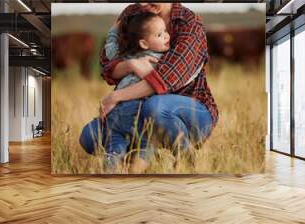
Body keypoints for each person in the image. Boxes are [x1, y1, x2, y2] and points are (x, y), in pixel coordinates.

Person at [80, 3, 219, 173]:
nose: (143, 4)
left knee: (155, 107)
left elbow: (166, 80)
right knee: (89, 136)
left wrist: (115, 97)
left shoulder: (189, 23)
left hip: (188, 111)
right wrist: (131, 64)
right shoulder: (133, 12)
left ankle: (185, 157)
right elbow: (107, 64)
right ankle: (129, 166)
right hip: (134, 112)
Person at [80, 12, 171, 171]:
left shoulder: (126, 57)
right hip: (138, 113)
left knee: (113, 149)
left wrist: (114, 30)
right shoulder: (163, 59)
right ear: (143, 43)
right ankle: (133, 173)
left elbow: (110, 49)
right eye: (159, 34)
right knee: (147, 145)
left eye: (165, 31)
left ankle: (112, 173)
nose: (166, 36)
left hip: (114, 114)